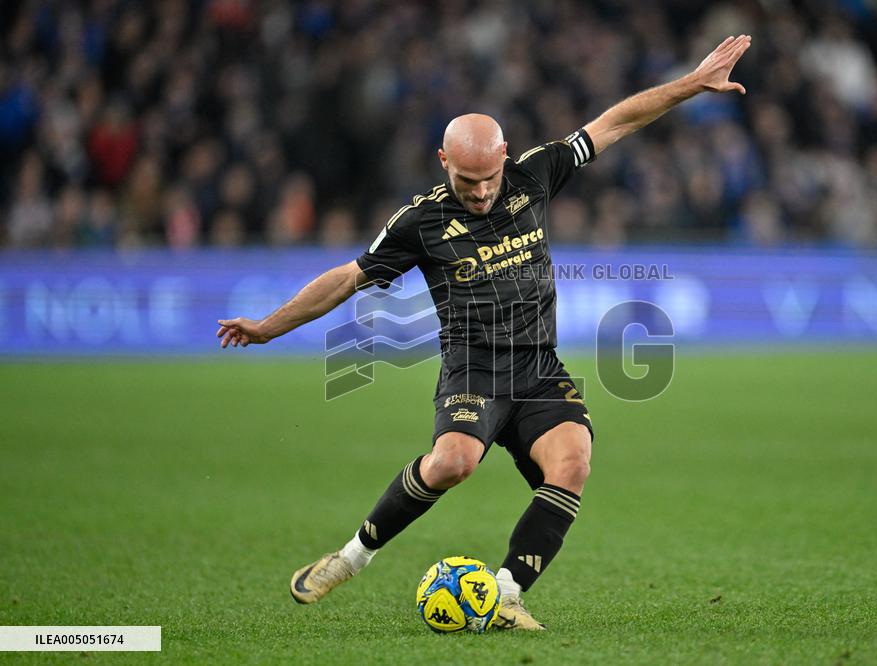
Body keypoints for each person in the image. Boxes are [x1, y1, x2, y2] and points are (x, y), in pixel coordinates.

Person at [217, 35, 752, 630]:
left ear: (505, 157)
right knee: (453, 463)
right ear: (444, 163)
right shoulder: (419, 222)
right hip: (473, 369)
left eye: (489, 177)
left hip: (540, 367)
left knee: (573, 463)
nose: (480, 191)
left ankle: (505, 593)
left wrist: (690, 84)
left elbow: (615, 122)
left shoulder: (534, 175)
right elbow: (346, 279)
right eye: (467, 180)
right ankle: (350, 558)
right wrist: (268, 327)